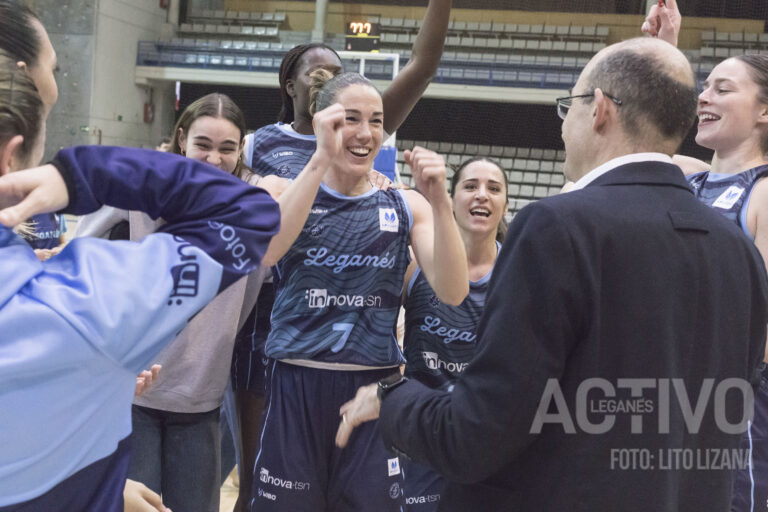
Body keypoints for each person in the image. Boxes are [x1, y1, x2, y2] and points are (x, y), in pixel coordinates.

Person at [335, 37, 768, 511]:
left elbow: (479, 432)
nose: (564, 127)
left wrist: (394, 400)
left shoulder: (556, 226)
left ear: (600, 109)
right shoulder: (737, 252)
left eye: (570, 107)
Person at [0, 48, 280, 511]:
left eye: (227, 148)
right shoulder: (85, 304)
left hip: (196, 395)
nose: (213, 158)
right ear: (13, 158)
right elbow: (248, 212)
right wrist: (82, 175)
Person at [232, 4, 452, 506]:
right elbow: (255, 233)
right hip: (276, 324)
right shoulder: (260, 147)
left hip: (361, 341)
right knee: (262, 482)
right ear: (294, 85)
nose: (332, 78)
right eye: (320, 71)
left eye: (372, 121)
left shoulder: (372, 153)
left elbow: (423, 63)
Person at [645, 5, 768, 509]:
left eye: (722, 88)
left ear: (764, 110)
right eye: (703, 86)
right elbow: (637, 133)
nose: (704, 96)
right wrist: (664, 50)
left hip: (730, 410)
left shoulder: (762, 192)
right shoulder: (687, 176)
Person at [400, 157, 507, 511]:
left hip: (484, 436)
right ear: (451, 196)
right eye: (470, 186)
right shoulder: (416, 265)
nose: (482, 196)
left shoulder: (518, 271)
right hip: (424, 432)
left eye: (494, 189)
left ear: (505, 204)